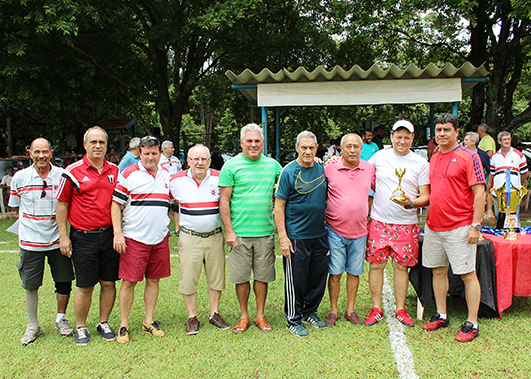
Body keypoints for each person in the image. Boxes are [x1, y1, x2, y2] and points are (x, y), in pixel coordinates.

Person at [422, 113, 485, 343]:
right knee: (438, 271)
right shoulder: (435, 157)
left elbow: (480, 192)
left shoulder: (470, 157)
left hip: (460, 226)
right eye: (438, 130)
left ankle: (472, 322)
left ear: (457, 132)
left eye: (447, 129)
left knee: (468, 275)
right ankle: (442, 314)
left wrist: (475, 226)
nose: (442, 134)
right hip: (434, 227)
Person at [56, 126, 120, 346]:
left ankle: (103, 322)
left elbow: (119, 203)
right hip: (83, 237)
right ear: (85, 145)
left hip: (109, 235)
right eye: (93, 142)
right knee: (85, 285)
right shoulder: (72, 171)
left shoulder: (115, 170)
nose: (98, 146)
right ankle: (81, 326)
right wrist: (64, 238)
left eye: (101, 142)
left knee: (109, 282)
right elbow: (62, 205)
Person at [9, 138, 75, 345]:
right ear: (29, 153)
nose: (41, 156)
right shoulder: (19, 178)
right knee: (31, 284)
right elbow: (15, 206)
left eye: (45, 152)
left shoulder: (62, 176)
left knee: (64, 281)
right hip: (30, 242)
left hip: (58, 241)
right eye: (37, 152)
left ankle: (60, 319)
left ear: (51, 153)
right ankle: (33, 325)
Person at [364, 121, 430, 327]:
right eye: (398, 136)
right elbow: (362, 174)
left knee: (401, 267)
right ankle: (376, 308)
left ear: (412, 138)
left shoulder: (421, 163)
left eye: (407, 137)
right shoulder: (378, 157)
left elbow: (426, 196)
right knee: (376, 265)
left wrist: (410, 203)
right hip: (379, 222)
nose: (402, 141)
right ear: (391, 137)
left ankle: (401, 309)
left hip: (406, 224)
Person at [219, 123, 282, 334]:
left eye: (257, 141)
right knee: (241, 277)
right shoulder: (231, 166)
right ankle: (244, 315)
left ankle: (260, 315)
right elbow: (224, 200)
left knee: (263, 276)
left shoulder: (273, 166)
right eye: (249, 141)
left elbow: (289, 183)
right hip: (240, 234)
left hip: (265, 232)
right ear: (241, 143)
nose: (254, 145)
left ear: (263, 143)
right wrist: (229, 230)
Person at [111, 136, 171, 344]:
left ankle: (148, 321)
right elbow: (115, 205)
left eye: (154, 153)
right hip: (134, 238)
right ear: (140, 153)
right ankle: (124, 324)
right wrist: (118, 233)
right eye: (146, 153)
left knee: (154, 280)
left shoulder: (166, 174)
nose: (151, 157)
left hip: (160, 238)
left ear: (159, 153)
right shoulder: (129, 173)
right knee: (129, 282)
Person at [170, 144, 230, 335]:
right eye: (195, 158)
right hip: (190, 237)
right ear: (188, 161)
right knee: (188, 278)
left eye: (203, 159)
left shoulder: (220, 177)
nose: (199, 162)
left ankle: (214, 314)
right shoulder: (175, 180)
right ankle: (192, 317)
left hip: (214, 236)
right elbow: (165, 201)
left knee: (216, 277)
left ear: (209, 161)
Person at [274, 131, 328, 338]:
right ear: (296, 148)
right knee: (296, 279)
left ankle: (309, 312)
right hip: (296, 236)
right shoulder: (288, 171)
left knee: (317, 278)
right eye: (303, 147)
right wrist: (283, 238)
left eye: (311, 147)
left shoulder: (322, 169)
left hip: (319, 234)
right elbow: (279, 207)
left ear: (316, 148)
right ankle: (293, 319)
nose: (307, 151)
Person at [324, 133, 375, 326]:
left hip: (360, 232)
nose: (352, 150)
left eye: (356, 147)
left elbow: (380, 188)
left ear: (361, 149)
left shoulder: (369, 168)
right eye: (348, 146)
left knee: (354, 272)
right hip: (334, 230)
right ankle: (334, 310)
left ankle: (350, 310)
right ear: (341, 148)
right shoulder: (329, 167)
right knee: (335, 272)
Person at [485, 131, 528, 226]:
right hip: (498, 190)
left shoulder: (519, 155)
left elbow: (524, 173)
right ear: (499, 141)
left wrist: (518, 183)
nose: (507, 141)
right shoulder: (494, 156)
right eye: (505, 139)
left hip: (514, 191)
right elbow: (492, 173)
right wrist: (489, 185)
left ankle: (515, 234)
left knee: (514, 216)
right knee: (498, 215)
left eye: (509, 139)